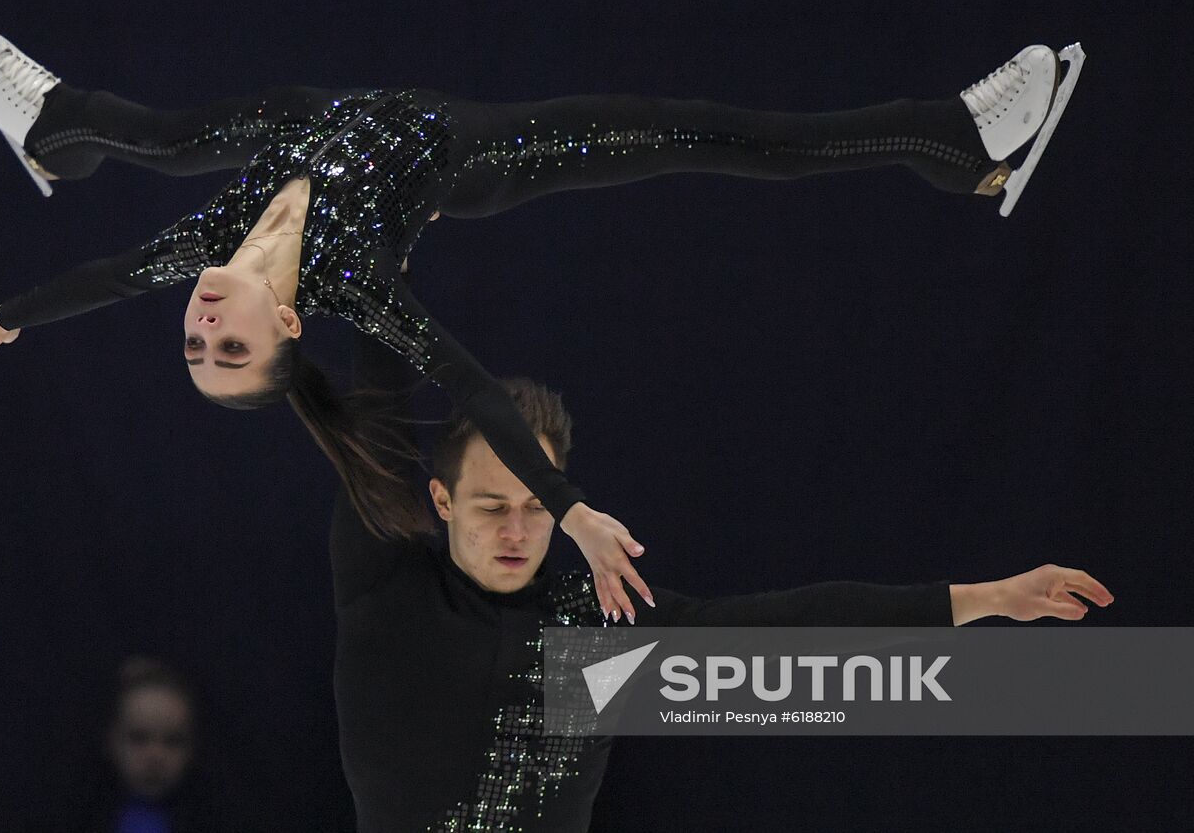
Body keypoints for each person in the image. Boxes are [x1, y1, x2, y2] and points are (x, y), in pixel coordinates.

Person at [0, 29, 1083, 619]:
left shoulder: (200, 244)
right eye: (230, 351)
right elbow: (473, 387)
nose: (200, 327)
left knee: (153, 133)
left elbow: (96, 281)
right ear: (285, 323)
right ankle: (948, 142)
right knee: (701, 132)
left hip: (298, 122)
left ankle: (50, 131)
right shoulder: (349, 280)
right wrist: (569, 509)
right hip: (466, 153)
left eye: (192, 346)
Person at [330, 317, 1113, 832]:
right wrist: (390, 249)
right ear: (442, 500)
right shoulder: (388, 590)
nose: (516, 530)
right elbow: (374, 414)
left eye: (539, 506)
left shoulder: (593, 635)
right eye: (492, 505)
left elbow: (791, 631)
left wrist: (987, 598)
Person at [31, 656, 240, 833]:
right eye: (138, 738)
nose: (156, 756)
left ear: (193, 747)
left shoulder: (218, 818)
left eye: (173, 741)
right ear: (110, 741)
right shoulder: (74, 815)